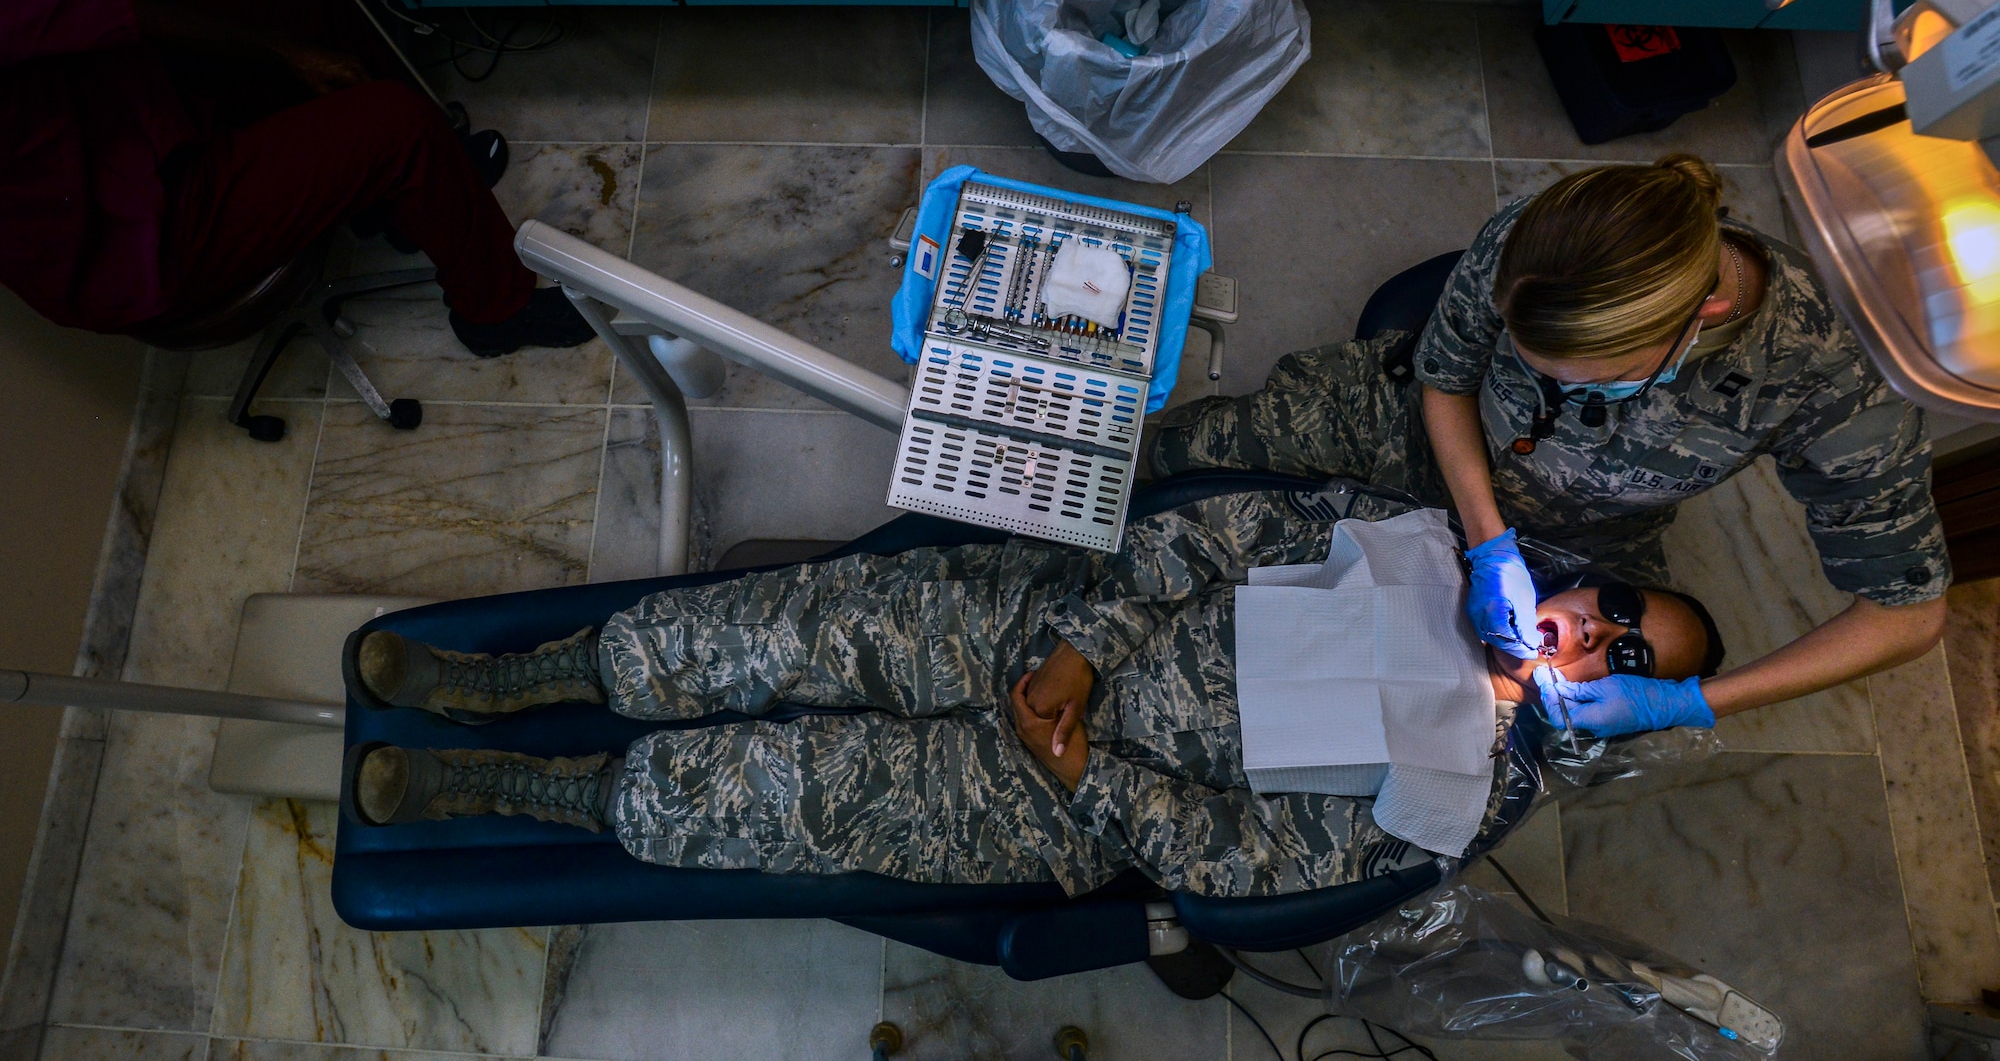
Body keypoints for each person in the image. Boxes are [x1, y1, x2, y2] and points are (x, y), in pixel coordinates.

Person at [341, 488, 1719, 899]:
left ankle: (515, 786)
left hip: (1049, 798)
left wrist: (1089, 778)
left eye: (1626, 652)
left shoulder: (1453, 794)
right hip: (1036, 626)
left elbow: (1247, 858)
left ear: (1616, 708)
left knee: (773, 801)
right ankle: (505, 682)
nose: (1589, 627)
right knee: (756, 635)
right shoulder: (1420, 542)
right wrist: (1086, 649)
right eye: (1608, 600)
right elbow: (1214, 533)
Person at [1148, 154, 1948, 739]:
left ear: (1695, 320)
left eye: (1599, 382)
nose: (1565, 399)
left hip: (1580, 535)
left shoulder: (1826, 380)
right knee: (1182, 461)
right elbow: (1448, 377)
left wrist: (1696, 702)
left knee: (1500, 734)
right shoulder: (1545, 237)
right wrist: (1486, 539)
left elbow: (1906, 616)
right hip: (1410, 426)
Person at [0, 0, 588, 358]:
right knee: (397, 126)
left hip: (130, 107)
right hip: (136, 232)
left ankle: (405, 202)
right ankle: (495, 312)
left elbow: (112, 6)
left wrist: (277, 47)